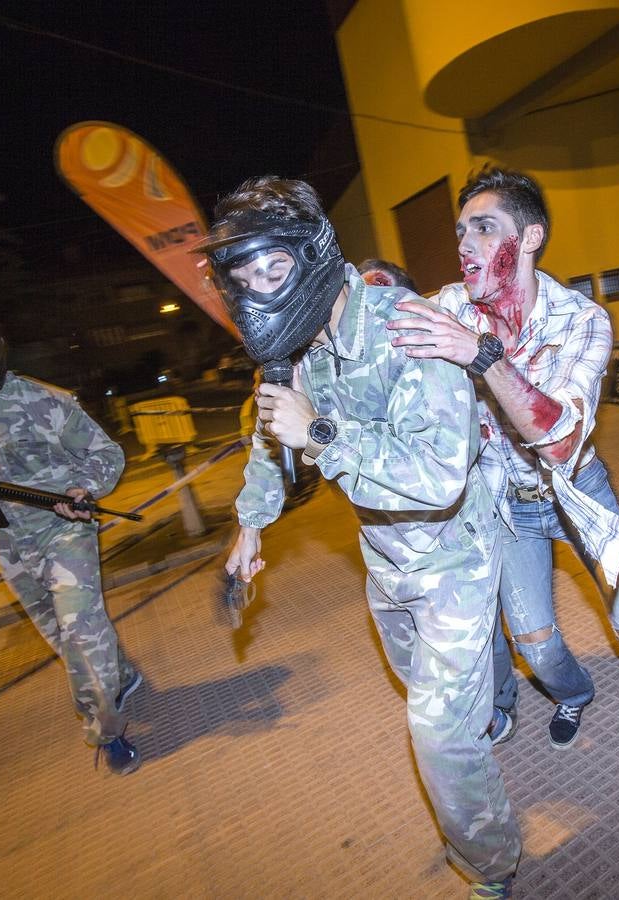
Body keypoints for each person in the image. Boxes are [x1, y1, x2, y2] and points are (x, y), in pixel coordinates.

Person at [199, 177, 521, 897]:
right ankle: (491, 707)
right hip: (384, 562)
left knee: (436, 734)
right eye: (246, 278)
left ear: (312, 255)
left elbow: (439, 476)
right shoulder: (298, 343)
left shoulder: (408, 327)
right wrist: (250, 524)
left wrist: (319, 430)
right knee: (429, 695)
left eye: (275, 270)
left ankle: (492, 868)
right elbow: (267, 440)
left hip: (453, 557)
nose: (262, 291)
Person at [385, 166, 619, 754]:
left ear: (530, 238)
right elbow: (371, 326)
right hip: (507, 507)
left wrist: (481, 357)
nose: (464, 244)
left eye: (485, 227)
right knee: (534, 644)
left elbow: (558, 441)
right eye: (461, 231)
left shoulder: (582, 321)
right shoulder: (452, 305)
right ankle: (574, 695)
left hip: (578, 491)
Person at [0, 305, 142, 774]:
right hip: (6, 541)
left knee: (80, 627)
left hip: (64, 530)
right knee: (60, 634)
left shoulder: (47, 399)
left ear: (0, 344)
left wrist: (84, 489)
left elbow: (105, 454)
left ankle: (106, 729)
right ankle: (119, 675)